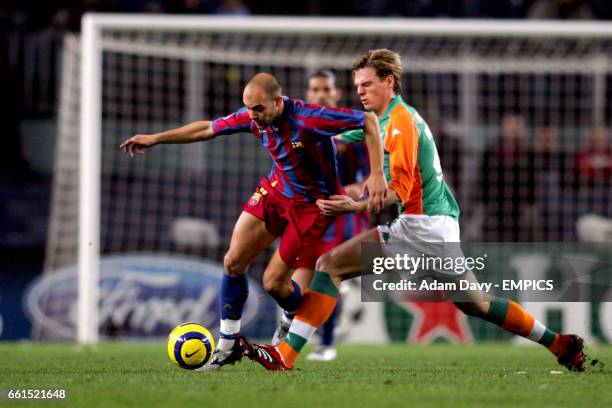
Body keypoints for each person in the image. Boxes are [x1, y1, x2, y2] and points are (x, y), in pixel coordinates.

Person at [240, 50, 586, 372]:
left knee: (329, 266)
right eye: (357, 85)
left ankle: (284, 355)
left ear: (389, 82)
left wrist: (354, 205)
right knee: (476, 303)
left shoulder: (401, 123)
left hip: (421, 226)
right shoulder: (385, 118)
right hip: (436, 226)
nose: (359, 92)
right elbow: (340, 136)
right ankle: (559, 343)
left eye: (367, 84)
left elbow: (398, 192)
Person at [120, 72, 388, 369]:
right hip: (275, 191)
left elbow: (368, 121)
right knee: (233, 261)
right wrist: (156, 138)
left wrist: (377, 174)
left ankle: (294, 318)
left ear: (277, 101)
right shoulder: (252, 115)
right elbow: (207, 129)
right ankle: (227, 345)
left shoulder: (309, 118)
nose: (252, 116)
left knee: (274, 284)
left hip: (312, 207)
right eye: (248, 108)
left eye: (258, 109)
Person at [270, 69, 371, 361]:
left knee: (324, 275)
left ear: (337, 94)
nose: (321, 94)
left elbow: (367, 179)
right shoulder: (299, 127)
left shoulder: (350, 132)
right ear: (308, 94)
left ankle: (326, 344)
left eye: (327, 89)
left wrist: (351, 191)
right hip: (310, 212)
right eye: (315, 89)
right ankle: (306, 328)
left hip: (342, 215)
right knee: (298, 282)